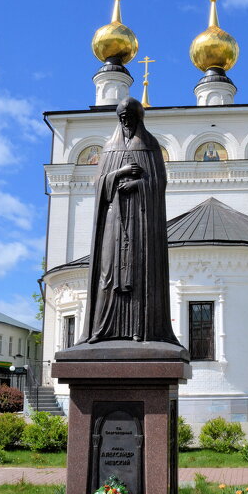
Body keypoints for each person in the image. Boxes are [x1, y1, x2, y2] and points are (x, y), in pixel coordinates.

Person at [78, 97, 178, 346]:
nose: (126, 122)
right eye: (122, 117)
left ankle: (138, 328)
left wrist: (138, 183)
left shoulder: (149, 145)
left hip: (141, 221)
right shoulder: (109, 148)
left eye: (130, 117)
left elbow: (158, 183)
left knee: (138, 271)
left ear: (139, 119)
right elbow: (99, 185)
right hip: (114, 217)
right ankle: (102, 328)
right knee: (108, 271)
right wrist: (120, 173)